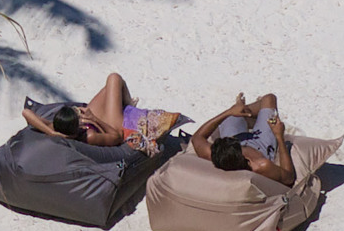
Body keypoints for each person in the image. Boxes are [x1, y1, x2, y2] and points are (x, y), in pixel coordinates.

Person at [23, 73, 179, 154]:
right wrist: (93, 119)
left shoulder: (56, 128)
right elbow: (116, 136)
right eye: (78, 116)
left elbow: (27, 113)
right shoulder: (89, 136)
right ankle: (128, 105)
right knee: (114, 78)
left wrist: (51, 131)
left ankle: (123, 102)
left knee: (110, 87)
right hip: (108, 125)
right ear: (77, 126)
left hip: (91, 122)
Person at [189, 92, 296, 186]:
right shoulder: (260, 165)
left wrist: (229, 112)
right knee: (269, 99)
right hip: (260, 144)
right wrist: (279, 136)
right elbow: (289, 178)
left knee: (230, 118)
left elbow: (197, 137)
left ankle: (243, 112)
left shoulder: (214, 156)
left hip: (237, 145)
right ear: (246, 158)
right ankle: (250, 115)